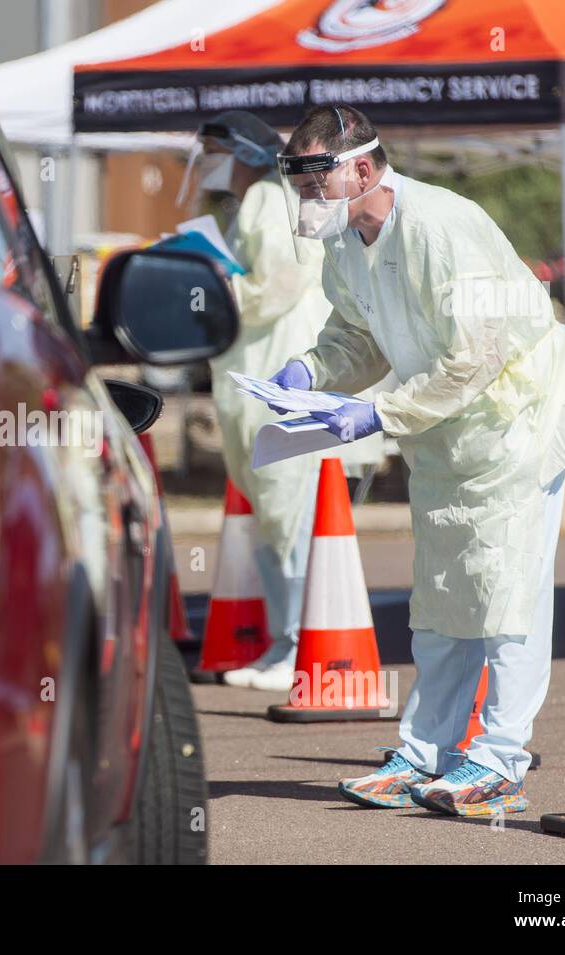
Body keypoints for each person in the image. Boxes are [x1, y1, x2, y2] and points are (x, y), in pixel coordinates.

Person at [269, 104, 565, 816]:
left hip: (519, 418)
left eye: (314, 180)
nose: (306, 196)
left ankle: (498, 759)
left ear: (361, 167)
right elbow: (356, 336)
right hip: (447, 435)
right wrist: (309, 372)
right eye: (296, 181)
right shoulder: (347, 239)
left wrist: (378, 412)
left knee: (506, 592)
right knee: (444, 593)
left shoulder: (440, 226)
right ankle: (424, 751)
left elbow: (476, 357)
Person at [187, 111, 333, 691]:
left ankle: (295, 646)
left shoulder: (267, 201)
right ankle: (284, 644)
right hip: (266, 373)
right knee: (277, 514)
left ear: (244, 152)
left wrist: (223, 292)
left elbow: (277, 282)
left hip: (276, 375)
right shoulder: (267, 201)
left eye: (216, 150)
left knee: (287, 511)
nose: (208, 163)